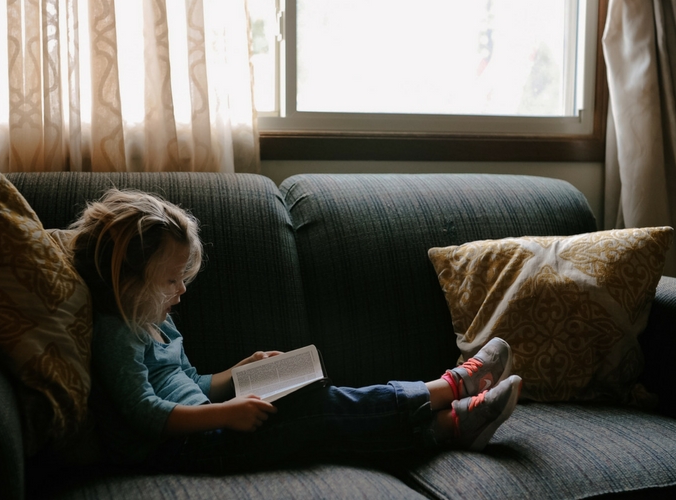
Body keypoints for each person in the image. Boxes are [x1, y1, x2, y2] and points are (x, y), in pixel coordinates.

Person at [71, 188, 522, 473]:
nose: (182, 290)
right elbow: (147, 413)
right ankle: (451, 386)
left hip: (207, 428)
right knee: (317, 408)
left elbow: (191, 384)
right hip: (188, 449)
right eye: (170, 280)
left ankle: (451, 425)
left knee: (321, 415)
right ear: (127, 280)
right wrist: (226, 414)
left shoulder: (156, 319)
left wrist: (237, 373)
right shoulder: (116, 334)